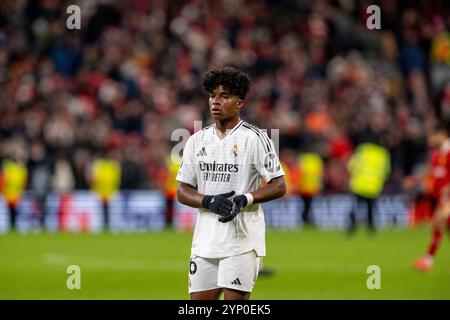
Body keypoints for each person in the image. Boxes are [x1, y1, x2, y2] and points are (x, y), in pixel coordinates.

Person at [176, 67, 286, 300]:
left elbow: (279, 184)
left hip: (241, 242)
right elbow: (182, 190)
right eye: (212, 96)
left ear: (240, 103)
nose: (215, 102)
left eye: (224, 96)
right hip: (205, 241)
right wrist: (208, 201)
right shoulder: (196, 141)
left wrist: (244, 199)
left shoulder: (255, 139)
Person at [413, 123, 450, 271]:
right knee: (444, 227)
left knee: (439, 221)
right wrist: (415, 179)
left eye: (433, 135)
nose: (430, 139)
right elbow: (432, 170)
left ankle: (428, 261)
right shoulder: (437, 153)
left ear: (442, 134)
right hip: (441, 196)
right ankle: (428, 260)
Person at [346, 141, 391, 234]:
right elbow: (386, 171)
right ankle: (371, 228)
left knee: (356, 207)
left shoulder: (362, 151)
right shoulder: (382, 153)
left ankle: (352, 226)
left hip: (359, 185)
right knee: (370, 208)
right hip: (374, 186)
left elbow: (351, 165)